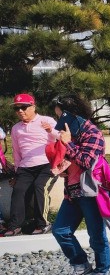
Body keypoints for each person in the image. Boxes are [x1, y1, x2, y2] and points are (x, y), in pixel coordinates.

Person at [48, 95, 110, 275]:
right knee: (60, 230)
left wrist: (68, 144)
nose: (60, 123)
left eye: (61, 118)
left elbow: (87, 161)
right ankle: (82, 266)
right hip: (73, 192)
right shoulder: (71, 133)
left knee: (97, 236)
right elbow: (72, 162)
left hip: (91, 193)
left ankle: (102, 274)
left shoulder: (93, 133)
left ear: (71, 115)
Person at [4, 93, 56, 236]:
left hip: (47, 163)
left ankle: (43, 223)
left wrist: (51, 130)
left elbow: (62, 137)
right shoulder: (16, 128)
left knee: (39, 187)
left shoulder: (46, 120)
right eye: (17, 108)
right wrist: (17, 173)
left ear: (33, 107)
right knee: (18, 190)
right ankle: (15, 226)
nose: (20, 111)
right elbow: (17, 152)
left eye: (24, 107)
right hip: (26, 166)